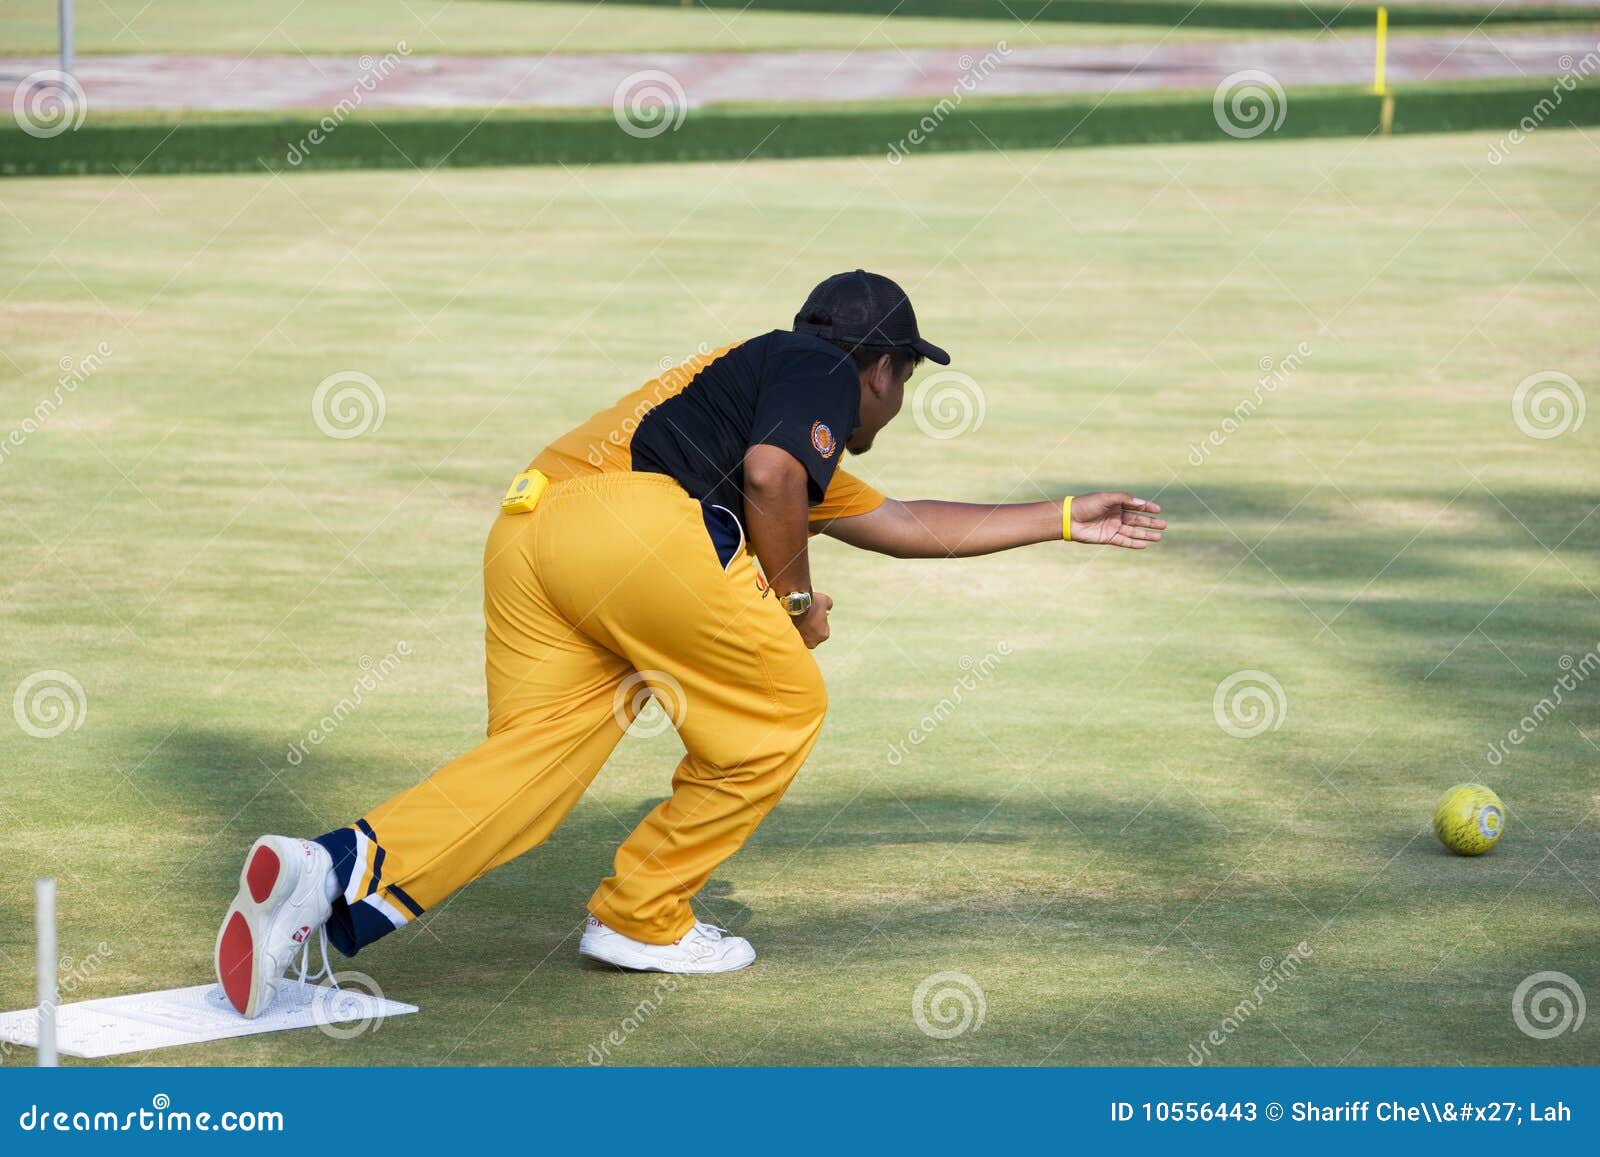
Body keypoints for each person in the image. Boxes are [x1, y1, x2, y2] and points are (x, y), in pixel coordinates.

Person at [215, 270, 1166, 1018]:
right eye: (905, 378)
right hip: (632, 528)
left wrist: (1068, 515)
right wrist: (794, 605)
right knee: (785, 708)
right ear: (877, 365)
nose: (897, 400)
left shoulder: (769, 407)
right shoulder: (813, 368)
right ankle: (641, 915)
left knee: (533, 768)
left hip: (530, 529)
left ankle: (326, 869)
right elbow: (767, 478)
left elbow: (908, 518)